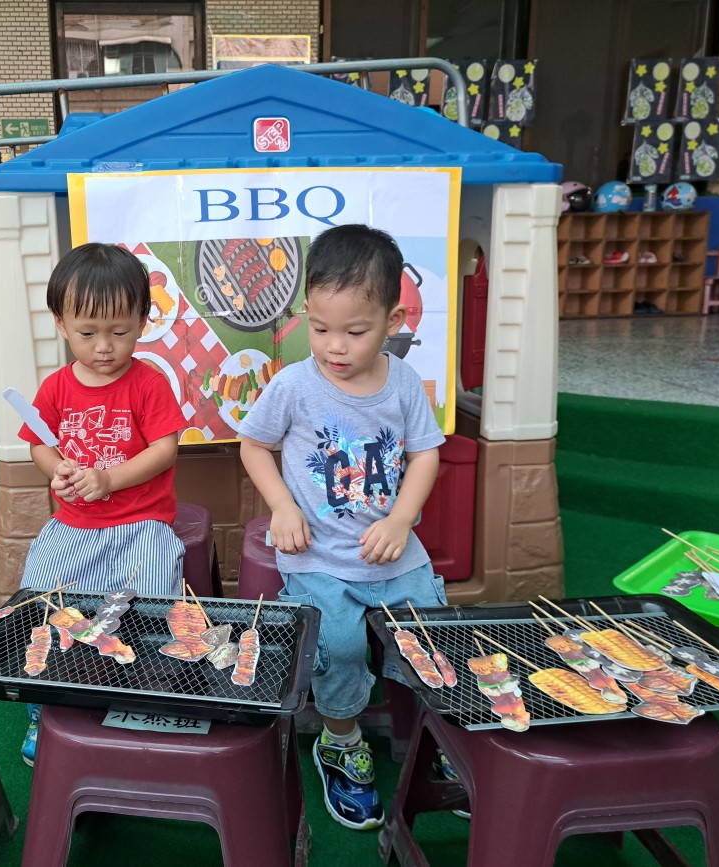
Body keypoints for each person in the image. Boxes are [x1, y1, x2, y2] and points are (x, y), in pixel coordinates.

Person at [238, 224, 446, 830]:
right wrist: (282, 506)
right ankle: (340, 739)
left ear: (393, 319)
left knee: (434, 637)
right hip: (319, 558)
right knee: (342, 646)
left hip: (394, 553)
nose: (335, 346)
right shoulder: (293, 385)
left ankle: (442, 735)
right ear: (306, 313)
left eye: (355, 332)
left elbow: (425, 454)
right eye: (321, 328)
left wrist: (402, 519)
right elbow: (253, 446)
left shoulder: (403, 383)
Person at [16, 242, 186, 764]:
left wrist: (108, 478)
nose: (105, 347)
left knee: (153, 599)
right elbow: (39, 444)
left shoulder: (148, 384)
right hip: (73, 525)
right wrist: (57, 471)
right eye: (88, 333)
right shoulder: (56, 387)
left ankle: (152, 686)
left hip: (142, 523)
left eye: (120, 332)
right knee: (41, 597)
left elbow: (164, 450)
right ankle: (44, 703)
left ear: (143, 321)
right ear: (61, 324)